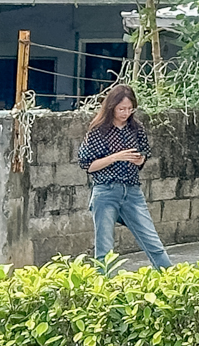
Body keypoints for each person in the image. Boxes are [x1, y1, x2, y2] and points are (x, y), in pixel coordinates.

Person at [77, 84, 174, 269]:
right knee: (104, 248)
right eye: (122, 109)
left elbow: (144, 153)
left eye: (130, 109)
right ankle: (103, 289)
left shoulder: (136, 128)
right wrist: (115, 157)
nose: (126, 113)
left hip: (131, 190)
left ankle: (173, 280)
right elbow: (88, 165)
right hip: (105, 190)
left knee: (152, 241)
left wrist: (139, 160)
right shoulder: (98, 131)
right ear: (112, 107)